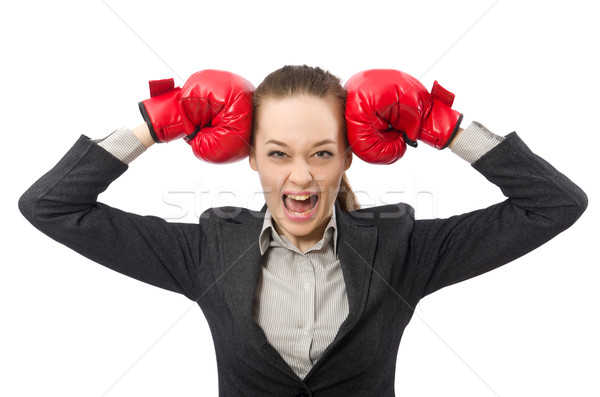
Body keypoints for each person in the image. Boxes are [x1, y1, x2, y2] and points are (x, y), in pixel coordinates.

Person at [19, 65, 588, 396]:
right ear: (251, 160)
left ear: (348, 157)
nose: (300, 176)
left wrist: (445, 127)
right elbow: (50, 205)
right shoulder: (208, 247)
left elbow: (553, 205)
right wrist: (153, 122)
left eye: (321, 152)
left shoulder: (401, 244)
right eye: (277, 153)